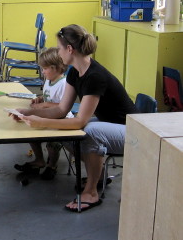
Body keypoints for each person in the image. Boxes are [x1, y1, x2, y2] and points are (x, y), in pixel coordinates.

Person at [9, 24, 137, 212]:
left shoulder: (94, 76)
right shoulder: (75, 72)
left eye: (60, 48)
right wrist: (27, 112)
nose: (58, 53)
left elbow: (80, 121)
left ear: (70, 49)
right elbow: (61, 110)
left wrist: (41, 121)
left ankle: (91, 193)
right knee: (66, 134)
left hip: (132, 132)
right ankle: (99, 176)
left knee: (90, 132)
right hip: (111, 126)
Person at [13, 47, 74, 180]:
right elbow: (48, 96)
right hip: (47, 117)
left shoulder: (64, 83)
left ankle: (52, 165)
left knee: (52, 144)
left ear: (55, 68)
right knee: (31, 134)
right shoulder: (49, 80)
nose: (43, 72)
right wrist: (40, 99)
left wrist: (45, 104)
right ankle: (39, 160)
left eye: (45, 68)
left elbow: (64, 106)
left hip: (61, 121)